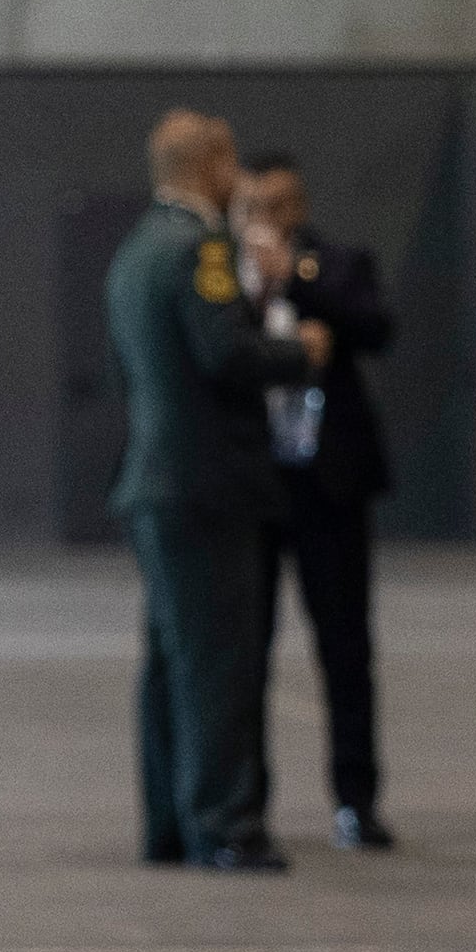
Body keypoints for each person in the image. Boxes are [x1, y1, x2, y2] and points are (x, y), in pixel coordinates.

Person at [109, 108, 324, 872]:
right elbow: (224, 355)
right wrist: (299, 351)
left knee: (171, 660)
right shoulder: (198, 247)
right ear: (213, 164)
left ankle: (170, 821)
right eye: (230, 163)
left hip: (158, 483)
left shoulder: (137, 250)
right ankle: (226, 822)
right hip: (208, 486)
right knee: (219, 661)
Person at [233, 157, 398, 853]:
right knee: (246, 651)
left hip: (327, 483)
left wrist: (296, 273)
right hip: (255, 484)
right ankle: (245, 806)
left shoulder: (336, 263)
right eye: (259, 204)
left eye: (282, 203)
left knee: (346, 648)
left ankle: (356, 801)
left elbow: (376, 326)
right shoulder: (223, 275)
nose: (273, 215)